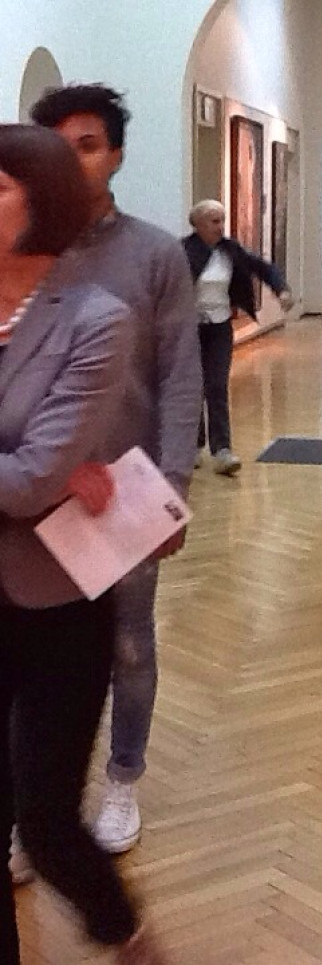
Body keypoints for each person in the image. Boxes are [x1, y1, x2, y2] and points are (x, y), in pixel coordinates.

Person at [0, 123, 166, 965]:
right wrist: (40, 470)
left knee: (47, 820)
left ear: (42, 203)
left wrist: (48, 474)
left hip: (53, 599)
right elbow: (32, 469)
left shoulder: (95, 318)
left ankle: (122, 931)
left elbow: (34, 479)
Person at [29, 83, 202, 862]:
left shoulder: (155, 254)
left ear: (118, 155)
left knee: (128, 644)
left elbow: (180, 377)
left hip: (122, 489)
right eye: (56, 146)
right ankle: (31, 808)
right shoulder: (15, 247)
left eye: (89, 144)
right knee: (30, 652)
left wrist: (173, 487)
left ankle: (122, 778)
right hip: (30, 489)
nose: (72, 160)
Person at [183, 199, 294, 476]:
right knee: (193, 386)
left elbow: (264, 268)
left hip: (219, 326)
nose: (220, 226)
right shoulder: (182, 251)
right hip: (190, 328)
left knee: (217, 385)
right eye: (214, 221)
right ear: (198, 224)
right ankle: (193, 444)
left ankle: (222, 449)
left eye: (222, 220)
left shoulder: (230, 250)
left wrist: (281, 290)